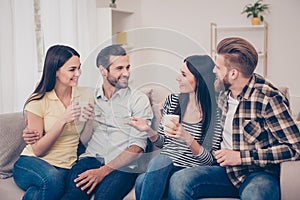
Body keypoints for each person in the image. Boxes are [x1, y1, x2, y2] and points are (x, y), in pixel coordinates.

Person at [168, 37, 300, 200]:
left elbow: (295, 148)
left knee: (255, 195)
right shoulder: (221, 89)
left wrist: (240, 157)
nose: (214, 71)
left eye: (217, 67)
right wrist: (169, 102)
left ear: (233, 73)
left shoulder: (268, 99)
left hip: (258, 173)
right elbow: (197, 86)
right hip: (225, 172)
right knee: (179, 181)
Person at [59, 44, 153, 200]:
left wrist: (102, 172)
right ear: (103, 70)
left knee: (105, 197)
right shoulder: (89, 98)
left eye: (128, 67)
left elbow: (137, 149)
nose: (126, 73)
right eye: (119, 68)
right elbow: (82, 140)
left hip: (122, 167)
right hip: (90, 159)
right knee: (72, 195)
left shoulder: (138, 100)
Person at [127, 55, 221, 200]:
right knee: (153, 168)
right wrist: (148, 130)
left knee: (146, 177)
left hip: (191, 171)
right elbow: (163, 143)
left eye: (183, 74)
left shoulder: (216, 114)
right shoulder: (173, 101)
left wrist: (187, 138)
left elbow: (209, 160)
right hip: (164, 167)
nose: (178, 78)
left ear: (200, 79)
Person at [13, 45, 94, 200]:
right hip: (32, 162)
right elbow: (38, 150)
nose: (78, 74)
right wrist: (63, 120)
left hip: (65, 165)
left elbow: (84, 139)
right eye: (72, 69)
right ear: (56, 71)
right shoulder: (38, 101)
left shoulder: (85, 95)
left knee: (61, 184)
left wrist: (90, 120)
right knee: (52, 180)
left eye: (79, 68)